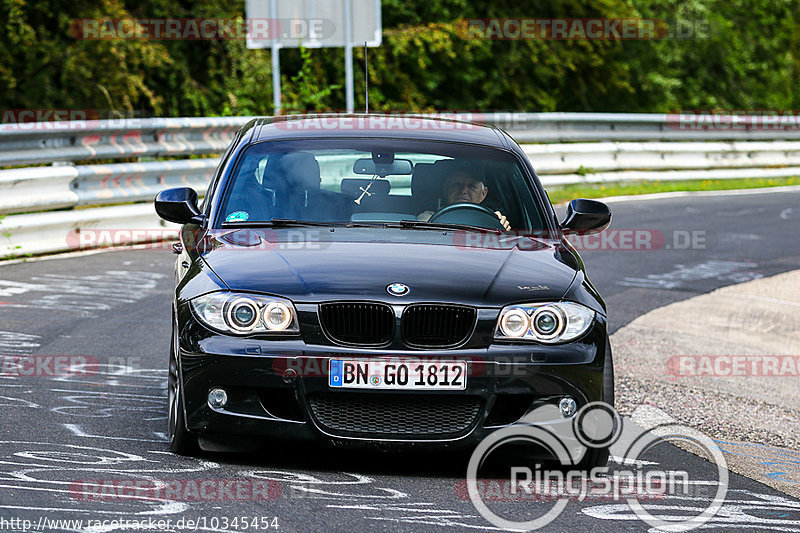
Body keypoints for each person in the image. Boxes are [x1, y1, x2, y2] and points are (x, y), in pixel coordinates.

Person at [417, 169, 511, 230]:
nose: (463, 191)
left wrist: (499, 226)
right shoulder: (428, 218)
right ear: (445, 189)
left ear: (483, 194)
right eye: (456, 185)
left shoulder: (494, 220)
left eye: (471, 186)